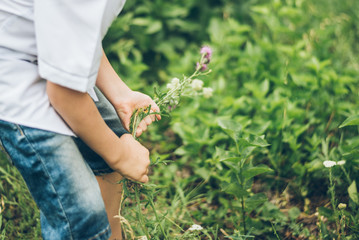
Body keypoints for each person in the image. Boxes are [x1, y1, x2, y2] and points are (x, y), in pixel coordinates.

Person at [0, 0, 160, 239]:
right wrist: (120, 155)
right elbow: (64, 93)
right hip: (13, 79)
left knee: (109, 140)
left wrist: (119, 93)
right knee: (81, 213)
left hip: (43, 56)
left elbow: (75, 36)